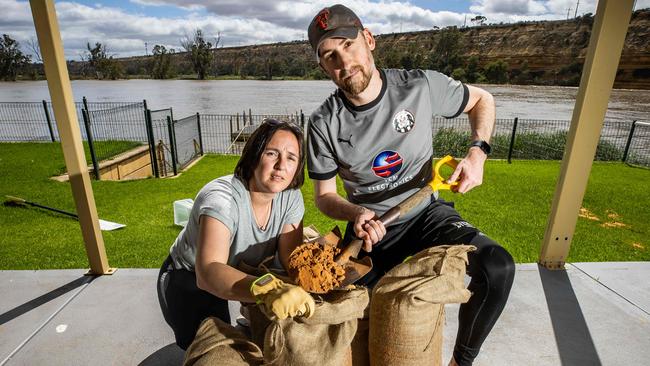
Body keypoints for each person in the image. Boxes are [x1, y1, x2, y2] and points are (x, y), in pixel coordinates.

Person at [306, 4, 515, 366]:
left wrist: (478, 153)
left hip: (427, 214)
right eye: (330, 55)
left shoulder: (419, 85)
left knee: (498, 267)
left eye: (348, 44)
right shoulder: (323, 123)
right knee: (344, 331)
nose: (343, 61)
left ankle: (460, 363)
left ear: (368, 40)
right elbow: (324, 197)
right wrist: (356, 212)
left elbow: (483, 100)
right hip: (370, 234)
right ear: (323, 66)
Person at [157, 119, 315, 350]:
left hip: (240, 270)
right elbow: (209, 270)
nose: (282, 165)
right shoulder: (221, 200)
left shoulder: (290, 196)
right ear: (254, 155)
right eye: (272, 153)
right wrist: (267, 289)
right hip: (187, 279)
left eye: (291, 157)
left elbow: (291, 259)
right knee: (209, 349)